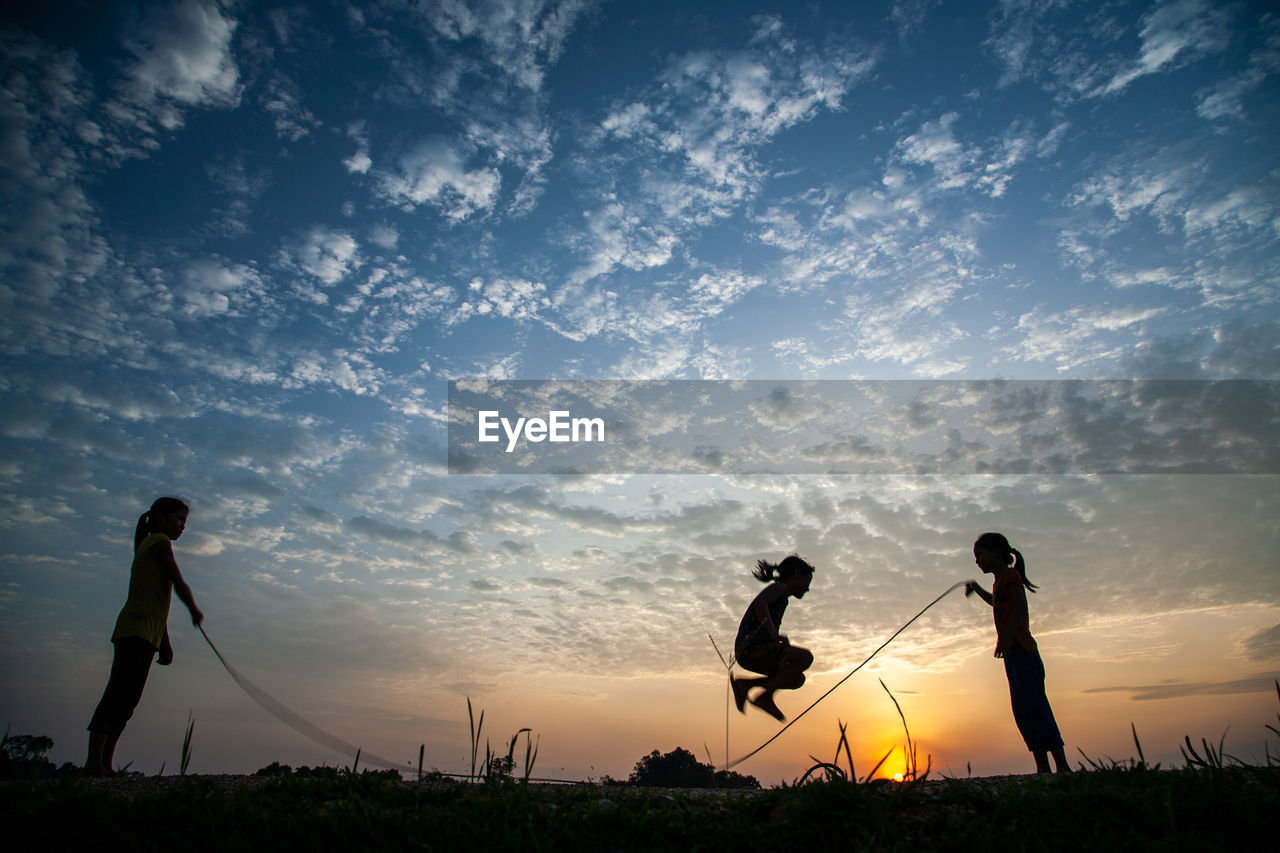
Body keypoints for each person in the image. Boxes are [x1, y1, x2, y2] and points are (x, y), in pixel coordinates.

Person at [85, 497, 204, 776]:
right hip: (133, 631)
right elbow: (176, 579)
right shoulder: (158, 543)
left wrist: (165, 643)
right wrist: (193, 608)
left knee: (129, 700)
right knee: (117, 695)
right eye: (179, 520)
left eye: (185, 523)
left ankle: (105, 762)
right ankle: (93, 762)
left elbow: (155, 604)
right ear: (160, 517)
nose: (182, 527)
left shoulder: (155, 544)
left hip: (147, 633)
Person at [965, 532, 1069, 774]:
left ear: (996, 553)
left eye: (980, 555)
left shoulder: (1011, 577)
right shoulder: (1000, 581)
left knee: (1036, 707)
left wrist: (1007, 637)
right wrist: (977, 589)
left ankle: (1061, 766)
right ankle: (1043, 767)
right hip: (1013, 655)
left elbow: (1021, 608)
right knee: (1023, 711)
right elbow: (998, 603)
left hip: (1023, 652)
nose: (977, 560)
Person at [731, 555, 815, 722]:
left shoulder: (782, 595)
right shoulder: (779, 588)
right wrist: (774, 635)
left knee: (796, 679)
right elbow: (761, 604)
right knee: (805, 658)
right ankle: (765, 697)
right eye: (807, 582)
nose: (807, 589)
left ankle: (746, 685)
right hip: (752, 648)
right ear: (796, 574)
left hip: (753, 652)